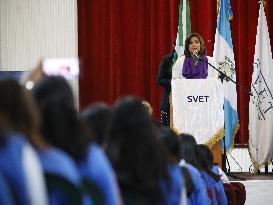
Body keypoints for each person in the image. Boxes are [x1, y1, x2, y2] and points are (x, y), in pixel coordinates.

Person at [157, 46, 175, 127]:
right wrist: (176, 84)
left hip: (190, 102)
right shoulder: (168, 59)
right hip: (169, 101)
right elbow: (160, 79)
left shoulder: (197, 59)